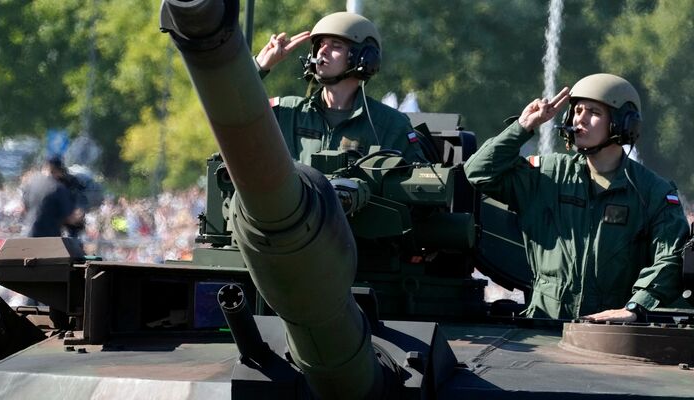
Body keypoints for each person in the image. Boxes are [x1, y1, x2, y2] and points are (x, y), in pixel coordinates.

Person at [464, 73, 689, 322]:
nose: (579, 119)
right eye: (577, 110)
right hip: (543, 325)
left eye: (593, 112)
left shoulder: (652, 192)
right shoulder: (547, 177)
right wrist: (523, 126)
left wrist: (635, 308)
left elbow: (670, 258)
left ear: (623, 123)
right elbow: (479, 172)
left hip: (610, 333)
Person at [254, 12, 425, 165]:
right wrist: (258, 67)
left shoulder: (391, 125)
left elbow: (418, 190)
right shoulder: (287, 113)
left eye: (336, 45)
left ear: (363, 59)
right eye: (320, 44)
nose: (322, 52)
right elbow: (230, 119)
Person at [22, 156, 83, 237]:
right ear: (58, 171)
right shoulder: (58, 188)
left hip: (28, 234)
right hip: (49, 238)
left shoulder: (31, 183)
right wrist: (80, 215)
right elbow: (70, 218)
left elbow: (25, 208)